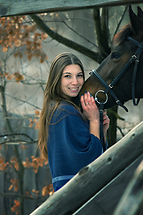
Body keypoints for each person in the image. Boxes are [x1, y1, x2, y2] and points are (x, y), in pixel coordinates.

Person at [38, 52, 110, 192]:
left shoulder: (55, 108)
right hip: (77, 193)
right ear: (56, 79)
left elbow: (82, 152)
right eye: (67, 76)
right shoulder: (65, 112)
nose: (75, 82)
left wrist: (101, 130)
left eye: (79, 75)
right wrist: (94, 120)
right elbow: (92, 162)